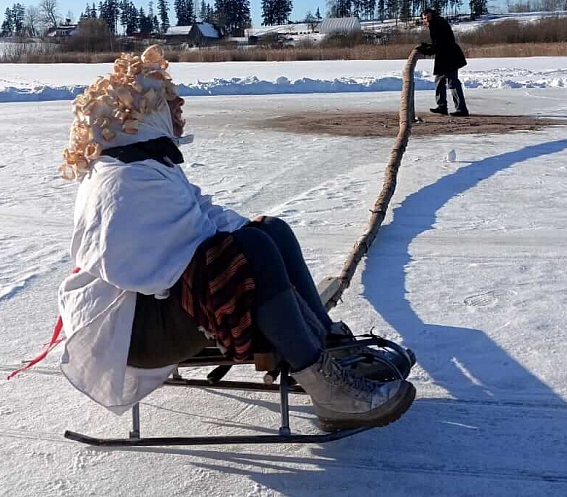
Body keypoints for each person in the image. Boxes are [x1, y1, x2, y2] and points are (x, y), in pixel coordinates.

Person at [55, 45, 416, 431]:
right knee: (251, 249)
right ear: (142, 114)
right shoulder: (123, 180)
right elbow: (145, 270)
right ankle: (330, 391)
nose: (178, 112)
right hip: (133, 332)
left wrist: (250, 232)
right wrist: (243, 249)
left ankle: (329, 349)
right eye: (168, 104)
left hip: (153, 311)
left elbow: (200, 215)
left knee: (268, 230)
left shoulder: (143, 163)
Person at [418, 8, 469, 116]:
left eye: (428, 17)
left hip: (449, 56)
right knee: (440, 80)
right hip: (444, 57)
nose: (426, 20)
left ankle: (461, 109)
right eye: (424, 18)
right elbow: (438, 43)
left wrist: (427, 50)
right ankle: (442, 106)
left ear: (432, 16)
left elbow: (442, 44)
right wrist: (427, 47)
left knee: (452, 82)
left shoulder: (437, 24)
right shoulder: (435, 24)